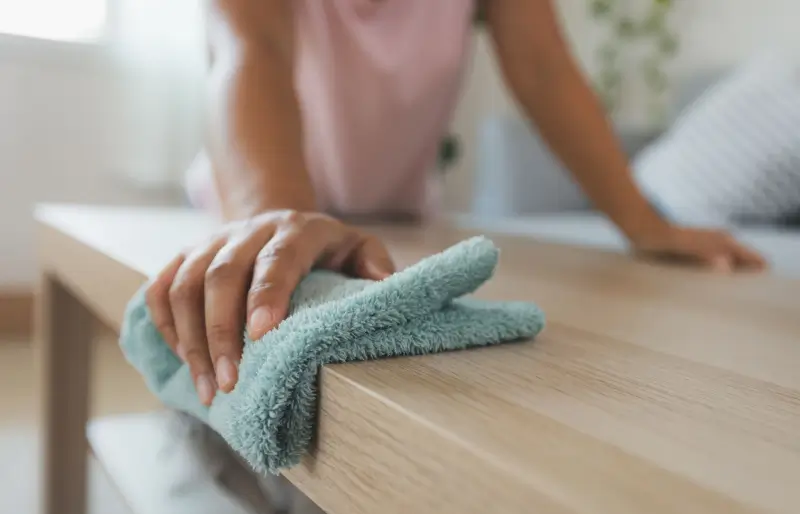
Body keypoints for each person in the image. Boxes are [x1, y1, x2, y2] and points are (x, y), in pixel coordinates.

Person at [146, 0, 767, 409]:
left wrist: (645, 223)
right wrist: (275, 216)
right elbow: (251, 50)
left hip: (396, 220)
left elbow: (545, 70)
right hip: (249, 204)